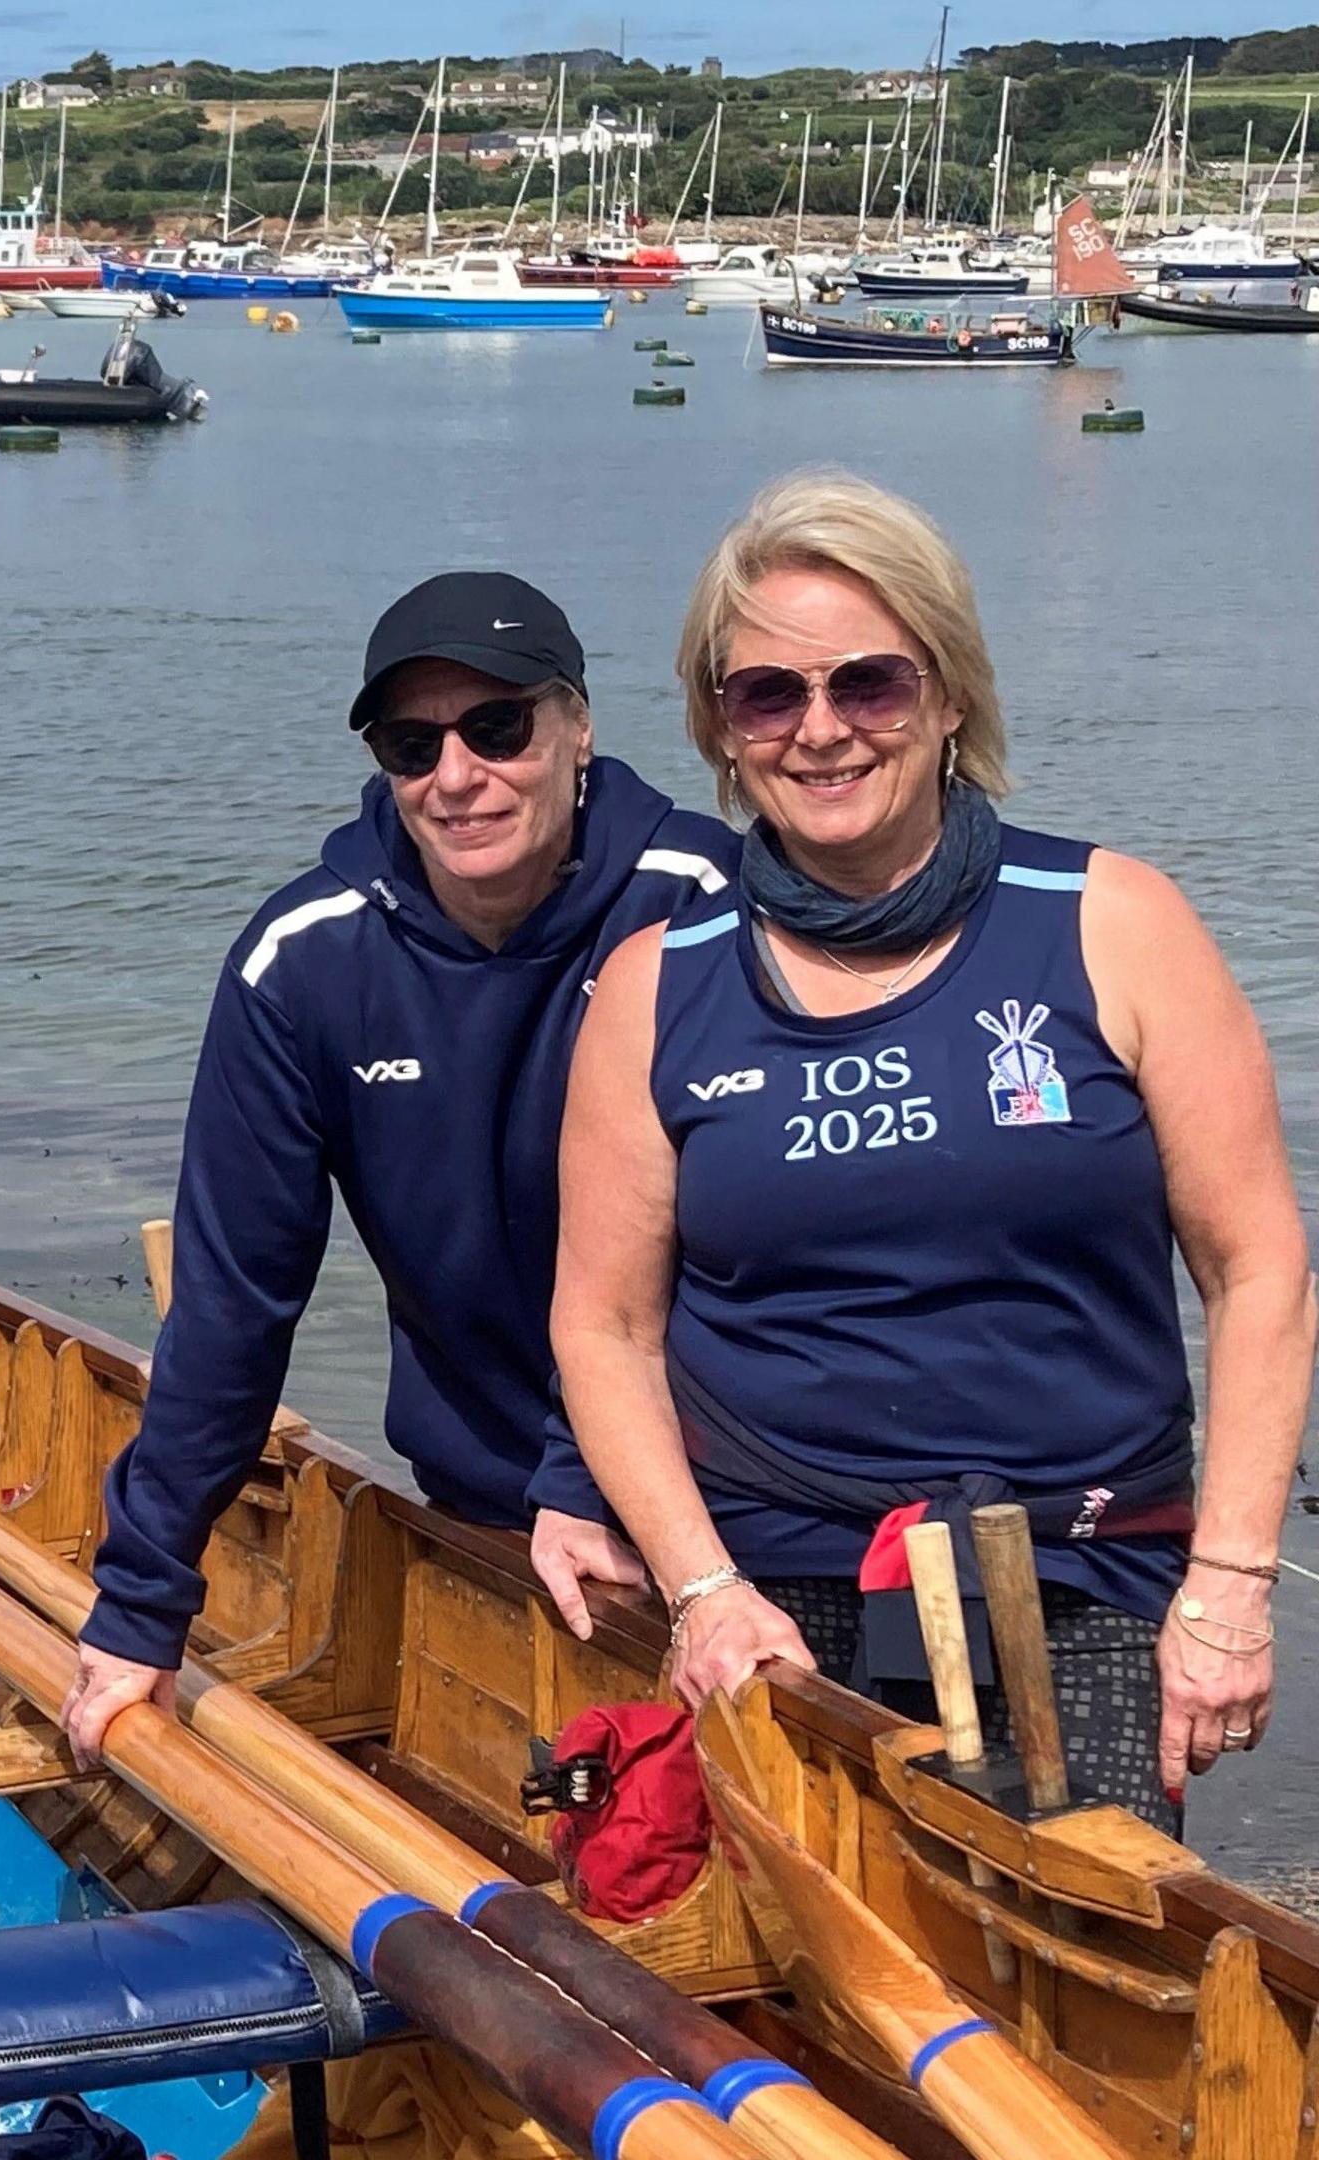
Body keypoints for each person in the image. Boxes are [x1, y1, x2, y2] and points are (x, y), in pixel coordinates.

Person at [552, 471, 1308, 1828]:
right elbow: (604, 1328)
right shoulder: (660, 986)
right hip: (772, 1588)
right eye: (768, 696)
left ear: (951, 695)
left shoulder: (1110, 923)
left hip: (1072, 1580)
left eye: (871, 685)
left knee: (1080, 1988)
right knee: (800, 2010)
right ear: (722, 731)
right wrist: (701, 1588)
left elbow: (1257, 1271)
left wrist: (1233, 1585)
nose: (821, 730)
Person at [64, 572, 740, 1760]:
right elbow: (232, 1309)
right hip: (485, 1505)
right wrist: (141, 1604)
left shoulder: (706, 906)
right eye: (411, 743)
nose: (457, 775)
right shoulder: (304, 961)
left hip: (724, 1494)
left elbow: (750, 1249)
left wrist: (589, 1472)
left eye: (497, 727)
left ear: (578, 726)